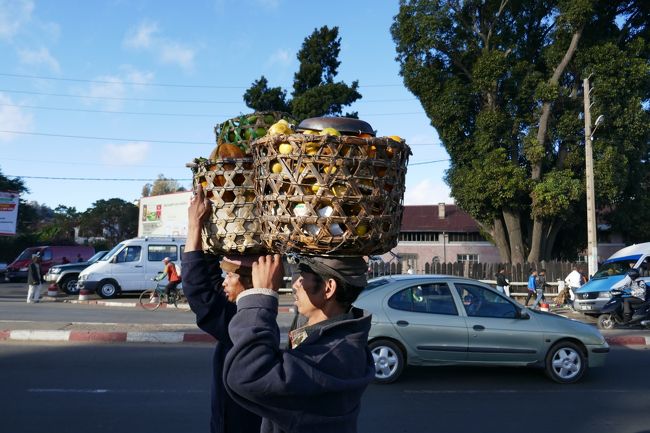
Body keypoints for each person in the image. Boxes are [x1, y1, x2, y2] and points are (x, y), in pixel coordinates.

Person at [223, 253, 376, 432]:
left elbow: (248, 374)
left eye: (302, 276)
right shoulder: (327, 333)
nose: (295, 284)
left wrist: (261, 297)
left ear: (328, 288)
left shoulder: (334, 354)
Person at [182, 188, 262, 433]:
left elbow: (198, 290)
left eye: (229, 275)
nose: (224, 281)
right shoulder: (254, 313)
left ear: (250, 282)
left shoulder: (242, 325)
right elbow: (208, 281)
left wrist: (195, 226)